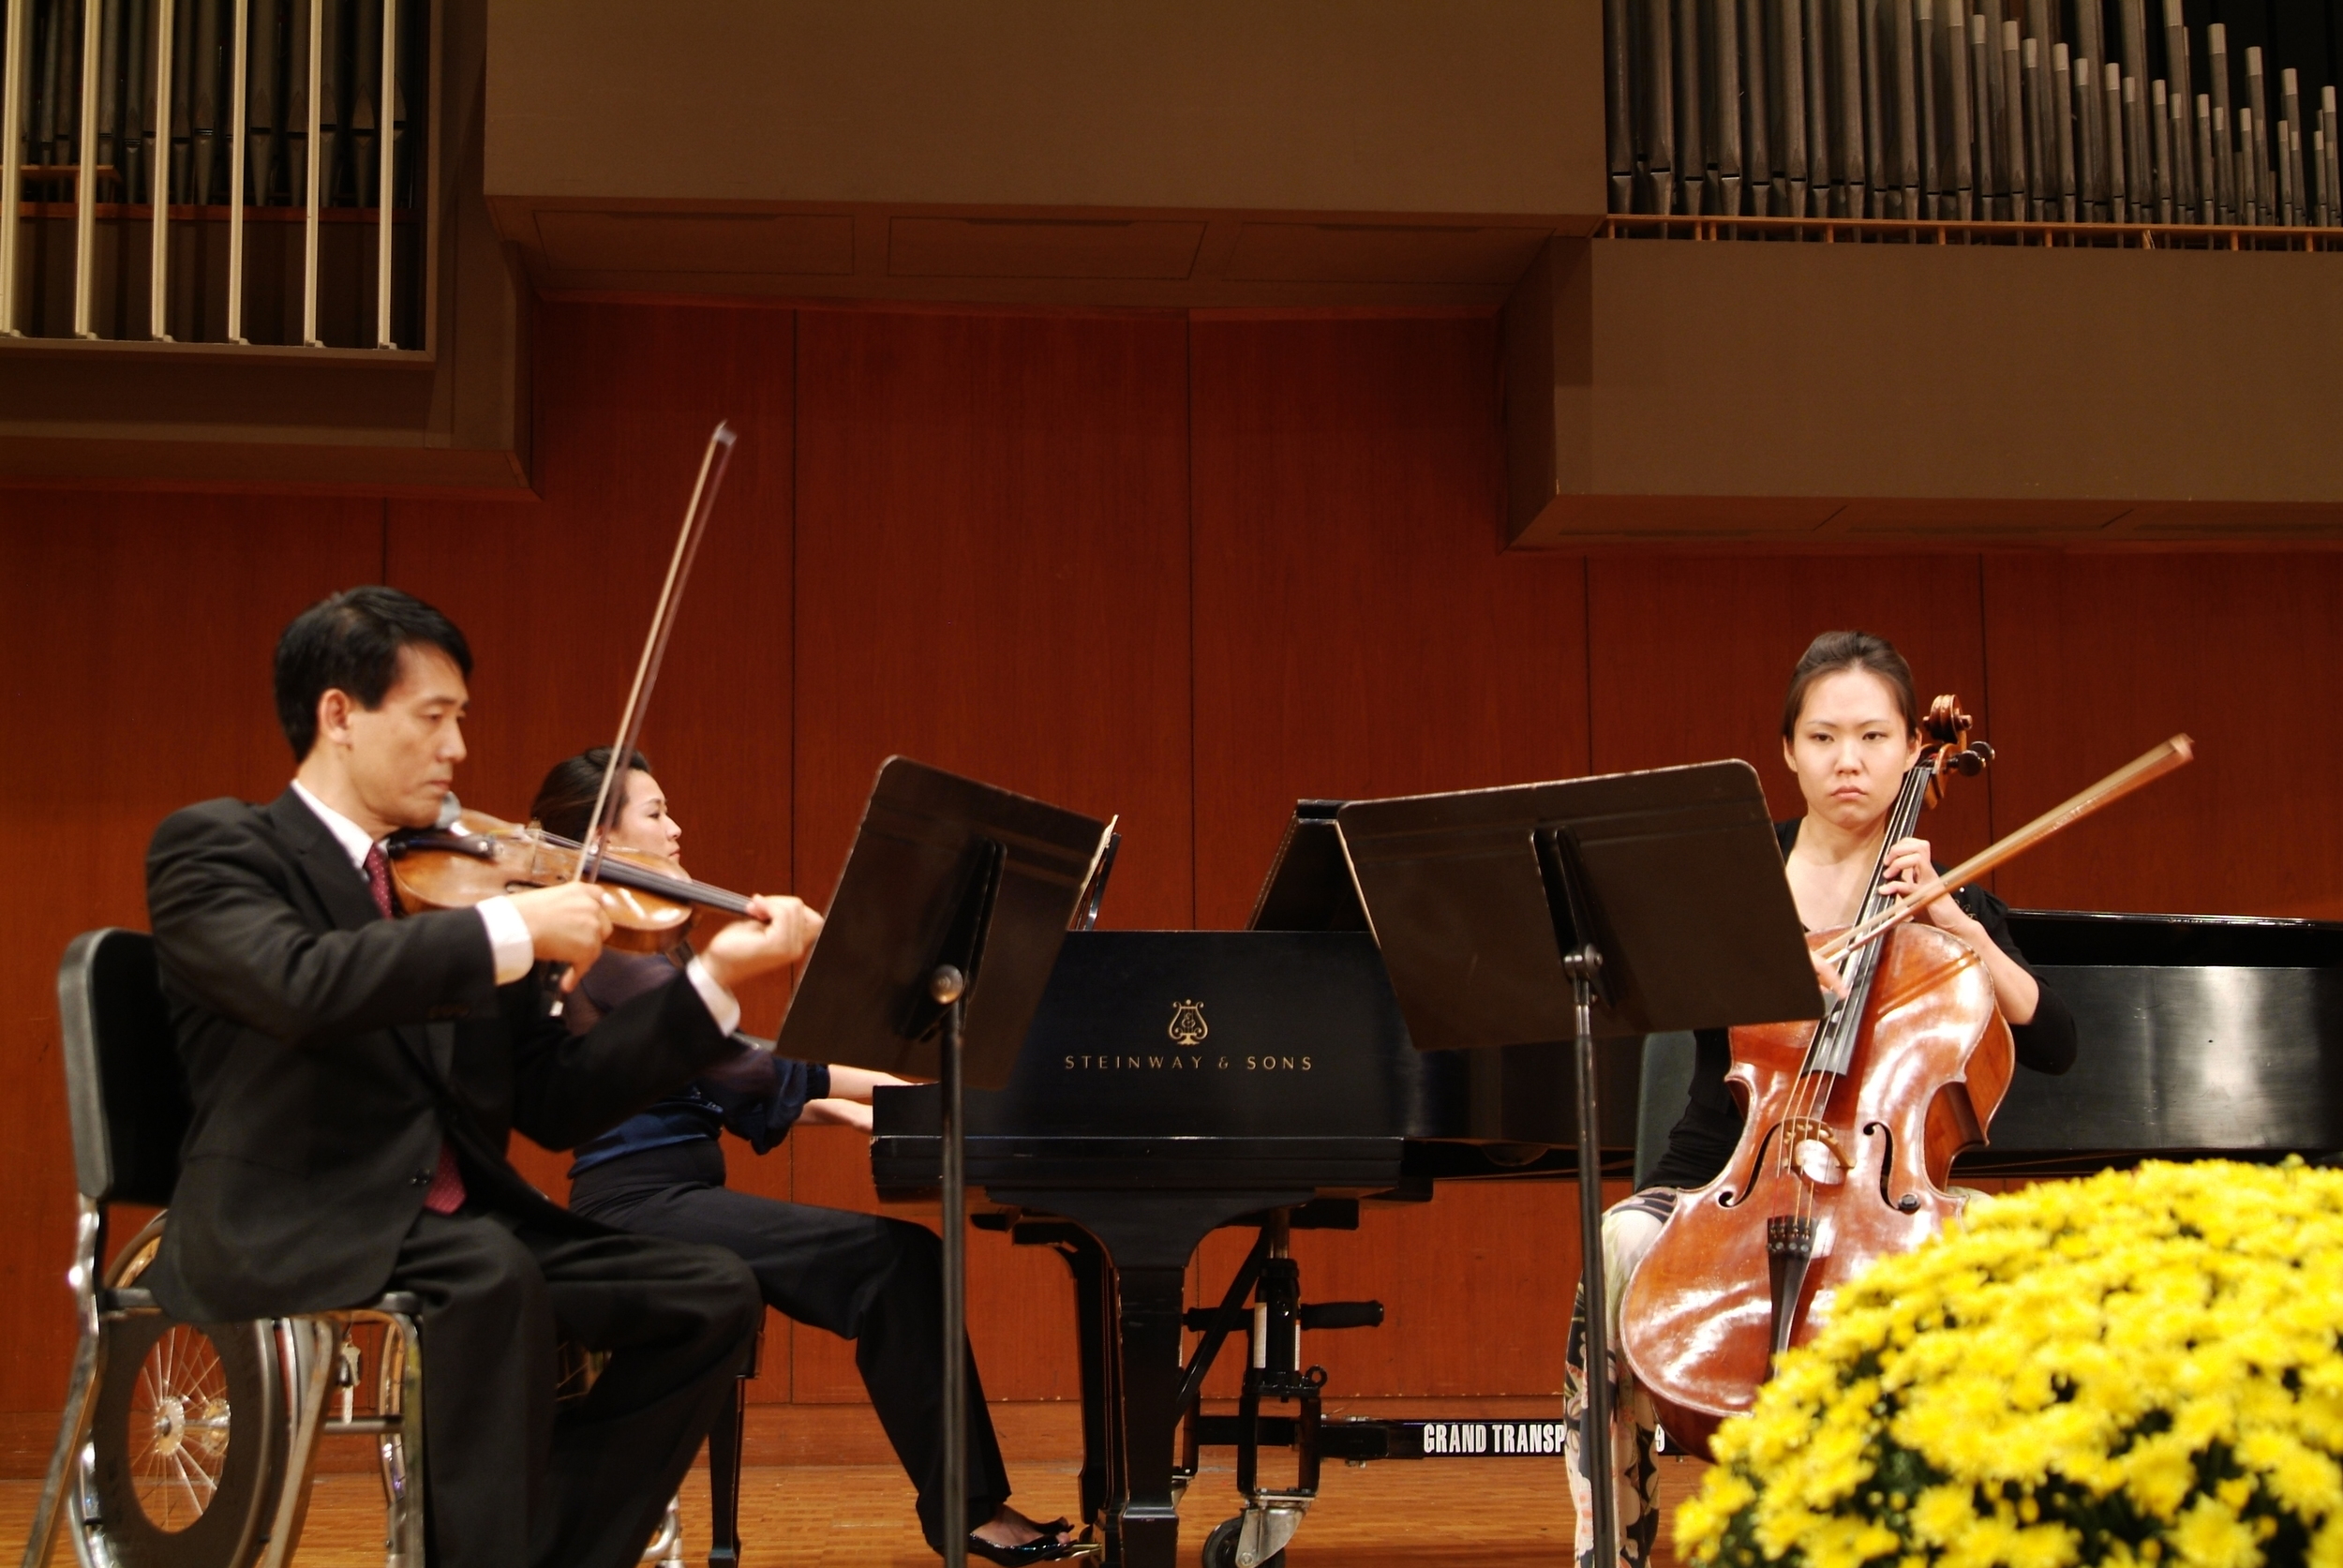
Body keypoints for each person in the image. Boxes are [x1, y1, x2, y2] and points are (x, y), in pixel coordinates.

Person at [142, 587, 823, 1568]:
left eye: (460, 718)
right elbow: (298, 984)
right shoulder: (219, 848)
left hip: (453, 1224)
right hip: (295, 1213)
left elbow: (555, 1102)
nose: (458, 748)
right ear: (339, 714)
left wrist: (712, 979)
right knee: (491, 1280)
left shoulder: (462, 885)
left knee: (711, 1291)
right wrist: (510, 929)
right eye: (433, 717)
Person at [1562, 630, 2080, 1568]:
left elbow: (2055, 1040)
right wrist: (1764, 966)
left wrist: (1952, 916)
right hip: (1722, 1177)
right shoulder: (1737, 882)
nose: (1849, 760)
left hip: (1885, 1191)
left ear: (1911, 750)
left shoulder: (1945, 898)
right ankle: (1611, 1544)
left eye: (1875, 736)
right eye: (1824, 737)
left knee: (2008, 1252)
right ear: (1788, 751)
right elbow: (1645, 993)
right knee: (1616, 1242)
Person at [533, 748, 1083, 1565]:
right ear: (601, 840)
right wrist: (889, 1085)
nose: (677, 828)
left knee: (905, 1263)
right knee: (897, 1262)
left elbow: (741, 1089)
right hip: (638, 1209)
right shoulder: (614, 955)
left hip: (670, 1199)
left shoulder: (651, 955)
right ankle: (969, 1511)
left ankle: (970, 1505)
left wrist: (877, 1102)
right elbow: (747, 1068)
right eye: (655, 812)